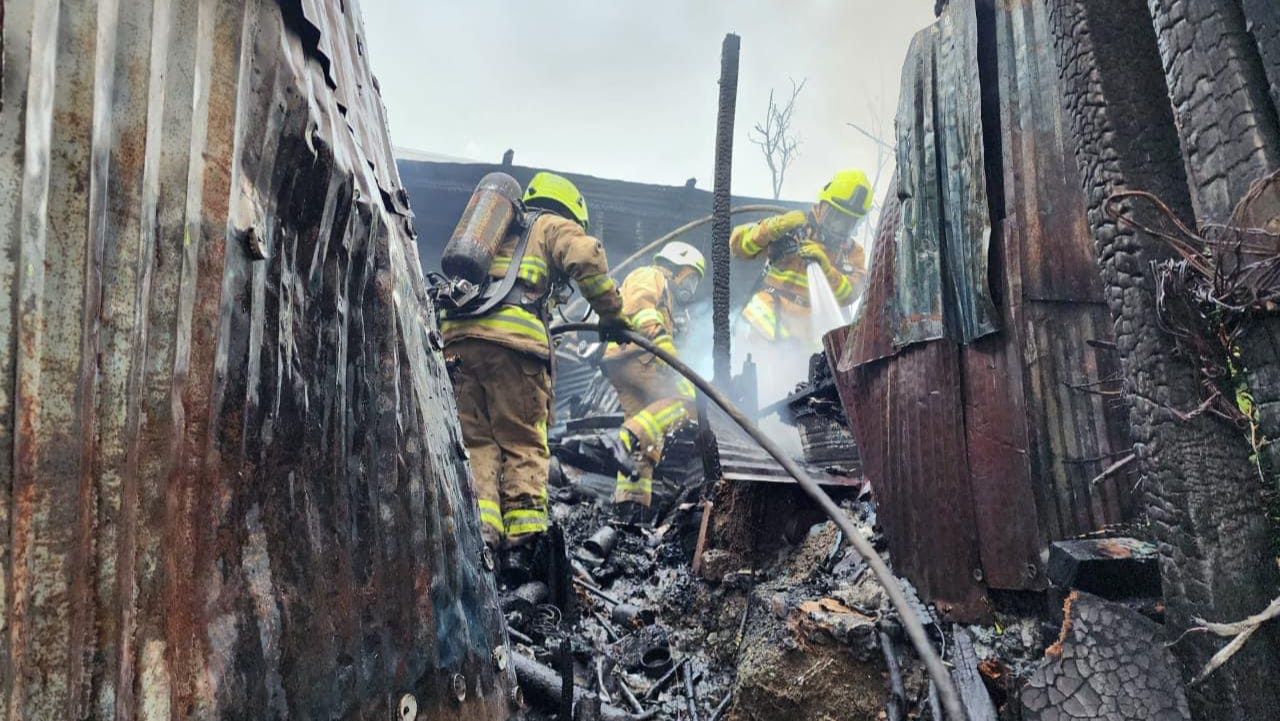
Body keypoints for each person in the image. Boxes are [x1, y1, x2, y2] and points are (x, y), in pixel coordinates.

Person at [441, 171, 628, 560]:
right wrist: (611, 315)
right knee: (522, 441)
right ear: (571, 211)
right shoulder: (551, 225)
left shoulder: (498, 233)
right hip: (512, 350)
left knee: (476, 443)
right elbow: (585, 256)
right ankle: (524, 547)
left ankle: (482, 535)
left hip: (457, 342)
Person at [601, 242, 705, 522]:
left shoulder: (670, 299)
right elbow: (641, 310)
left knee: (645, 443)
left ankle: (629, 510)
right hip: (640, 357)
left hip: (627, 361)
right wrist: (665, 347)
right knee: (691, 402)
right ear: (675, 266)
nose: (691, 288)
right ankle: (627, 434)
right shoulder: (651, 275)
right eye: (692, 277)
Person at [730, 168, 872, 348]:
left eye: (848, 223)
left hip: (808, 335)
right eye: (836, 217)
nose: (838, 227)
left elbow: (851, 294)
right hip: (767, 321)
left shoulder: (851, 253)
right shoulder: (792, 227)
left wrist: (827, 270)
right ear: (821, 206)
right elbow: (738, 247)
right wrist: (774, 227)